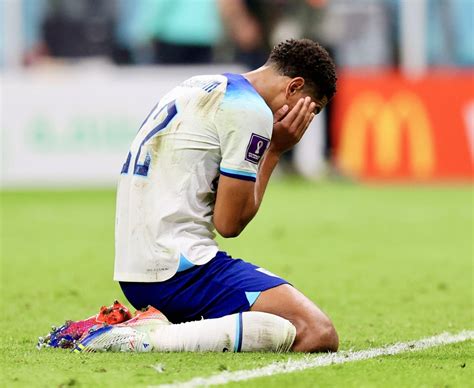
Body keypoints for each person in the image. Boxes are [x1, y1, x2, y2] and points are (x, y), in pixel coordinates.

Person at [77, 38, 338, 353]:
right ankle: (145, 339)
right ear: (294, 88)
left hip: (136, 269)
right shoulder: (251, 111)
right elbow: (229, 224)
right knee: (316, 331)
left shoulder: (202, 84)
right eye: (312, 109)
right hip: (180, 271)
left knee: (279, 315)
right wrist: (275, 151)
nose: (306, 121)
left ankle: (142, 324)